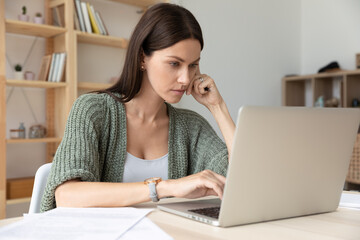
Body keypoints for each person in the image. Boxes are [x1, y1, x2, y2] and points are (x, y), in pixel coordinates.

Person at [40, 3, 235, 212]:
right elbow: (66, 196)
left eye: (193, 65)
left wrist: (218, 107)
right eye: (174, 64)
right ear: (143, 57)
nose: (185, 78)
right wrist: (164, 187)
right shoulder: (93, 111)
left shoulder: (191, 127)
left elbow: (241, 179)